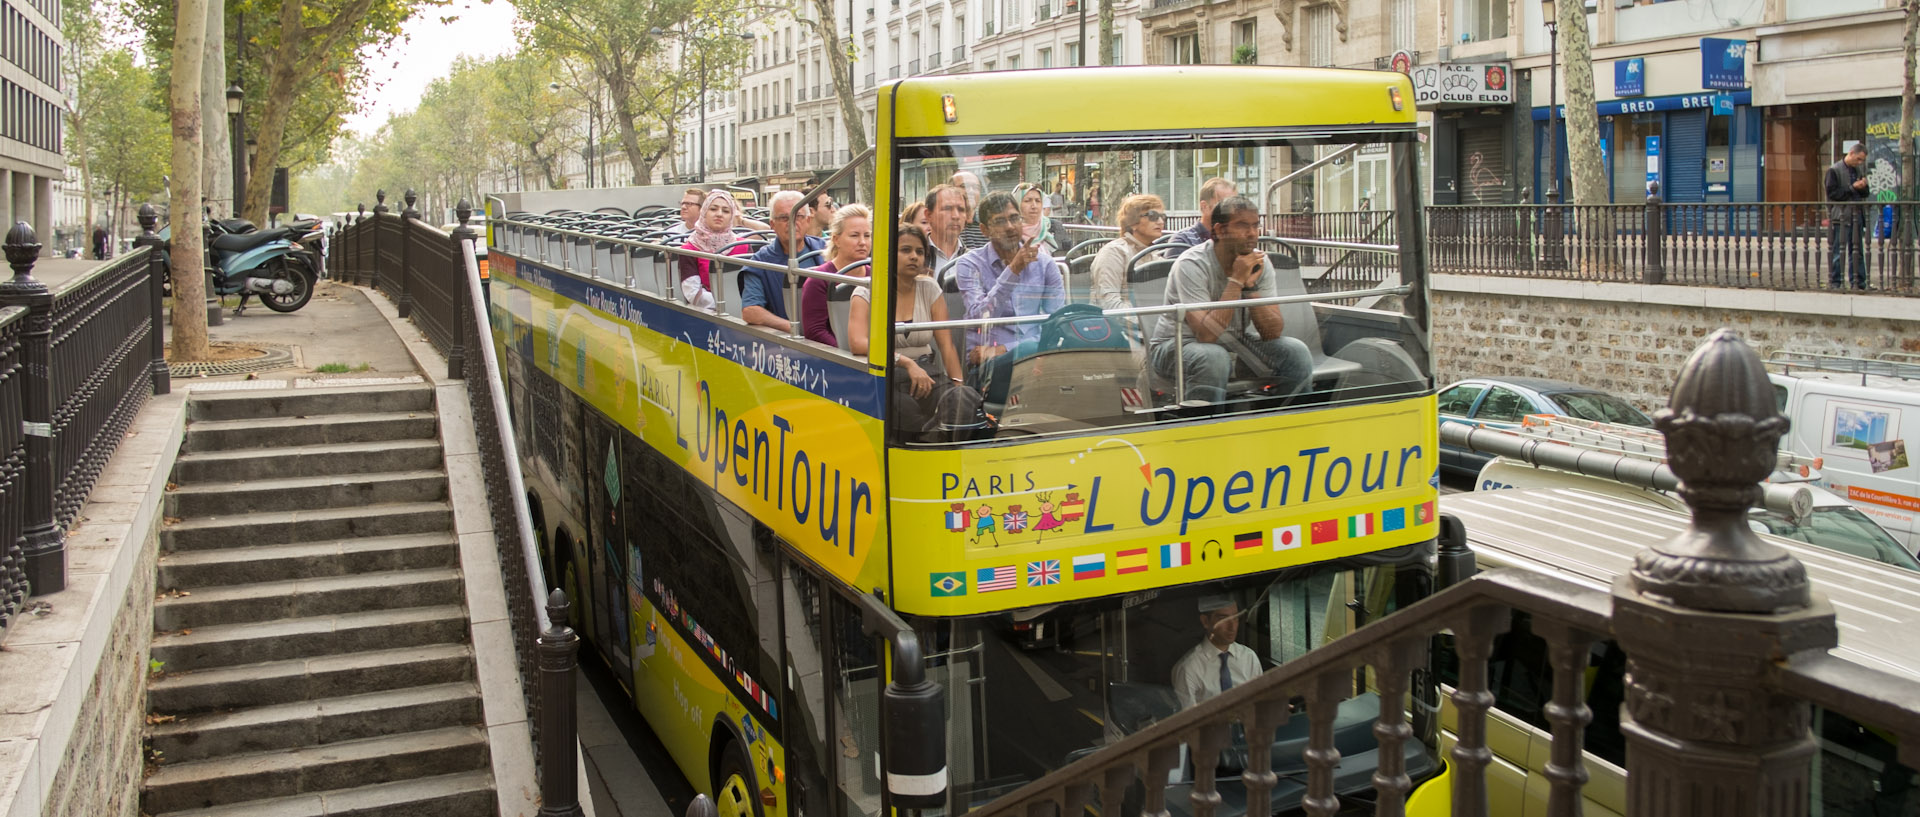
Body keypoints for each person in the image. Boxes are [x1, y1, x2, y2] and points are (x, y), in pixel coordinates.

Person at [1149, 196, 1313, 404]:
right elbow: (1206, 335)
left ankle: (1286, 424)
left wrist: (1251, 287)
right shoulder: (1191, 264)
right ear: (1219, 230)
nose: (1252, 233)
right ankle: (1204, 429)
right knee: (1213, 357)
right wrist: (1236, 281)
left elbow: (1272, 332)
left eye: (1255, 226)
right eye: (1243, 226)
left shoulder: (1260, 262)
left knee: (1295, 352)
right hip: (1176, 346)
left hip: (1233, 342)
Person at [848, 224, 968, 431]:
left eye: (919, 252)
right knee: (908, 416)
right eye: (906, 250)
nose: (914, 257)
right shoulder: (865, 292)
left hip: (927, 372)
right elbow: (858, 344)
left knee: (963, 403)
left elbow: (946, 345)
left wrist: (959, 386)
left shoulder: (930, 288)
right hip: (886, 376)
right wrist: (905, 363)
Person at [955, 191, 1065, 405]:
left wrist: (1006, 348)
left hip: (1036, 357)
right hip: (990, 368)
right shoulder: (969, 264)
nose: (1010, 227)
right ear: (984, 230)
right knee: (1032, 353)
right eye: (1000, 221)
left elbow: (1056, 324)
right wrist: (1013, 270)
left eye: (1014, 218)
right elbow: (980, 317)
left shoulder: (1044, 264)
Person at [741, 191, 828, 332]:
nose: (792, 223)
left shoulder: (825, 250)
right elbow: (750, 311)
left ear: (808, 220)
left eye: (798, 216)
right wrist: (794, 328)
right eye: (784, 218)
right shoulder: (760, 261)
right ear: (772, 224)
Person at [800, 204, 873, 348]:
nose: (862, 242)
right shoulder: (818, 281)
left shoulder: (877, 277)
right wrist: (847, 354)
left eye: (867, 235)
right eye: (854, 235)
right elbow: (815, 331)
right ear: (836, 240)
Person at [1172, 595, 1262, 711]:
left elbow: (1260, 701)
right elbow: (1187, 721)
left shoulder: (1249, 657)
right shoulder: (1189, 668)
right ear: (1205, 621)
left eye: (1235, 618)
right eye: (1224, 620)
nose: (1232, 627)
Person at [1090, 193, 1166, 319]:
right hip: (1121, 330)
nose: (1160, 221)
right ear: (1133, 223)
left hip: (1153, 329)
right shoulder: (1114, 253)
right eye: (1153, 216)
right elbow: (1109, 304)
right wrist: (1147, 323)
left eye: (1163, 217)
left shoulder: (1154, 254)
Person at [678, 190, 741, 311]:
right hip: (708, 314)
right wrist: (729, 305)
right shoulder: (689, 250)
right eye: (713, 209)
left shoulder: (743, 246)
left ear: (731, 216)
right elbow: (693, 294)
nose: (719, 214)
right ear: (704, 212)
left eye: (726, 211)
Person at [1825, 143, 1871, 291]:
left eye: (1862, 160)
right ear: (1850, 153)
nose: (1860, 163)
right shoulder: (1834, 170)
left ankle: (1858, 282)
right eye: (1858, 159)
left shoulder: (1858, 170)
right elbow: (1832, 194)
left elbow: (1865, 194)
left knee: (1857, 251)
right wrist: (1853, 188)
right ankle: (1835, 282)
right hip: (1841, 216)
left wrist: (1863, 187)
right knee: (1838, 250)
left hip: (1856, 214)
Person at [1168, 178, 1238, 247]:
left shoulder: (1237, 239)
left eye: (1235, 205)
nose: (1233, 211)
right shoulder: (1183, 240)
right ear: (1204, 206)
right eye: (1226, 205)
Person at [924, 185, 971, 280]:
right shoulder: (915, 257)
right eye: (948, 209)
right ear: (929, 215)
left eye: (961, 210)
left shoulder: (973, 259)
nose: (956, 216)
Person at [1013, 182, 1066, 255]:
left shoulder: (1053, 227)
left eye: (1038, 201)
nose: (1034, 206)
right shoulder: (1010, 233)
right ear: (1017, 204)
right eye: (1028, 201)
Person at [950, 171, 989, 250]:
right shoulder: (943, 225)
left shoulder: (987, 226)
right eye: (964, 186)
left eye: (975, 187)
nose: (970, 191)